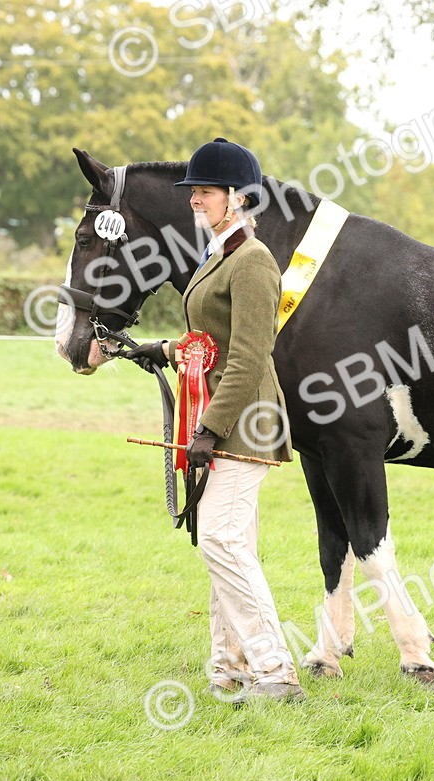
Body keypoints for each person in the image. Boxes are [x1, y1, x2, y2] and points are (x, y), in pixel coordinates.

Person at [123, 138, 301, 703]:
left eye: (203, 192)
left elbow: (251, 356)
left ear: (237, 198)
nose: (195, 201)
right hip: (222, 415)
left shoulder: (253, 262)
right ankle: (229, 667)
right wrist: (168, 351)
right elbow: (214, 344)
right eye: (195, 192)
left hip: (244, 422)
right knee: (229, 541)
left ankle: (275, 673)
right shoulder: (218, 257)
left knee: (221, 541)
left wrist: (209, 428)